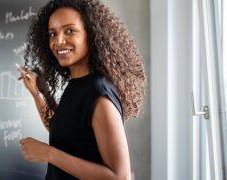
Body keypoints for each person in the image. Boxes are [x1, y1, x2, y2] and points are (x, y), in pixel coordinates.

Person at [18, 0, 146, 179]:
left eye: (69, 30)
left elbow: (119, 176)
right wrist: (35, 92)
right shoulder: (77, 84)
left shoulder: (99, 93)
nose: (58, 41)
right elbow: (59, 128)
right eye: (52, 34)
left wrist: (49, 154)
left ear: (92, 34)